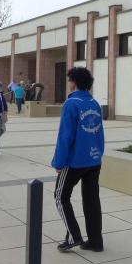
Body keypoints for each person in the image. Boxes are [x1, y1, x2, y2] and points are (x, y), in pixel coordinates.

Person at [52, 66, 105, 253]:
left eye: (69, 80)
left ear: (73, 82)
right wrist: (98, 154)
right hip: (94, 159)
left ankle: (73, 236)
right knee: (92, 200)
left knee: (60, 196)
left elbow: (65, 136)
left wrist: (59, 162)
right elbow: (99, 132)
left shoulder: (71, 104)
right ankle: (95, 241)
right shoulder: (94, 103)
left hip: (75, 161)